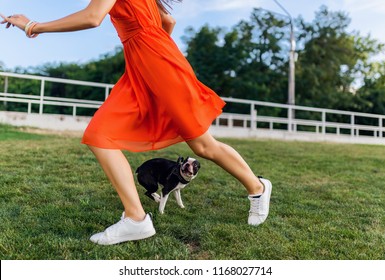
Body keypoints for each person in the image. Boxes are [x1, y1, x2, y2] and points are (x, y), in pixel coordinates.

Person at [1, 0, 272, 245]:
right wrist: (151, 50)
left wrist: (32, 26)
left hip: (159, 65)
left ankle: (258, 189)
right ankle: (136, 219)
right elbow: (168, 22)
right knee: (99, 134)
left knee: (202, 146)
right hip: (145, 66)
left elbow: (94, 16)